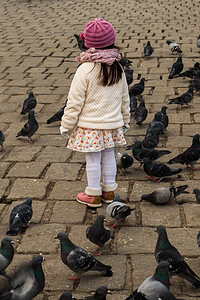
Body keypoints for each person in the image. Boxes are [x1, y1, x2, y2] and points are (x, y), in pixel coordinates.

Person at [60, 18, 130, 208]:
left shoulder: (85, 69)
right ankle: (109, 191)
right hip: (111, 125)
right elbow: (125, 98)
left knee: (92, 160)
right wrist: (126, 119)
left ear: (87, 44)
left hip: (90, 126)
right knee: (109, 156)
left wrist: (66, 125)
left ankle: (93, 194)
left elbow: (74, 102)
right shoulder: (118, 67)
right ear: (112, 41)